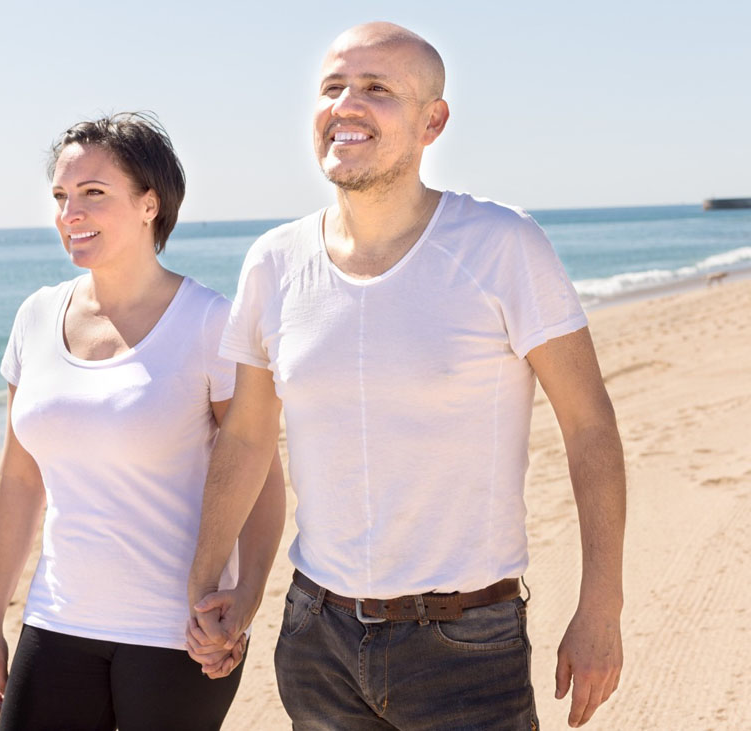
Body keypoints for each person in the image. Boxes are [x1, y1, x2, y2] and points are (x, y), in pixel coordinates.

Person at [187, 22, 625, 730]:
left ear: (433, 121)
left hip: (466, 642)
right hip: (316, 636)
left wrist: (601, 606)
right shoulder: (273, 261)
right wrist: (214, 580)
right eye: (333, 86)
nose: (347, 104)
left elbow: (590, 426)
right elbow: (244, 436)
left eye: (377, 89)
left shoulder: (502, 244)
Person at [0, 112, 285, 731]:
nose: (69, 213)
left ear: (149, 204)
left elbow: (262, 476)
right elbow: (20, 481)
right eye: (60, 196)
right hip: (57, 618)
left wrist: (243, 603)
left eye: (93, 193)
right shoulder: (35, 317)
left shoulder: (211, 323)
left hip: (177, 632)